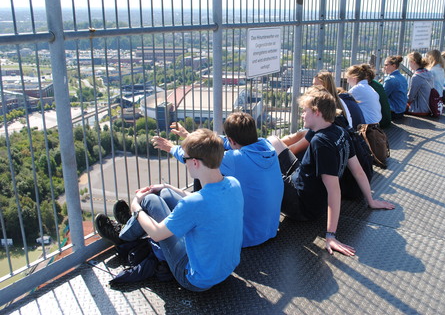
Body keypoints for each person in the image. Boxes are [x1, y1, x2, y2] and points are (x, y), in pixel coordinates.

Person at [96, 128, 244, 291]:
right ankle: (132, 226)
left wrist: (136, 207)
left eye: (185, 158)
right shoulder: (233, 183)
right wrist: (167, 187)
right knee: (166, 194)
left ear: (194, 162)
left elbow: (157, 233)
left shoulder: (193, 204)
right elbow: (205, 199)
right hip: (224, 268)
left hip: (196, 278)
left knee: (150, 200)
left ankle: (122, 236)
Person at [268, 86, 394, 257]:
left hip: (301, 205)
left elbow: (334, 190)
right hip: (300, 180)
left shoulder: (321, 143)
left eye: (305, 111)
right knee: (273, 140)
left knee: (260, 172)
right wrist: (370, 200)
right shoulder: (340, 131)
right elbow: (357, 170)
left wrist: (331, 236)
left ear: (317, 112)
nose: (302, 115)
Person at [152, 112, 284, 248]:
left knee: (205, 169)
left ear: (231, 140)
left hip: (246, 238)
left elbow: (197, 157)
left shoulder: (235, 159)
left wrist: (171, 148)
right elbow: (222, 143)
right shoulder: (267, 147)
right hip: (269, 231)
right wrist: (189, 136)